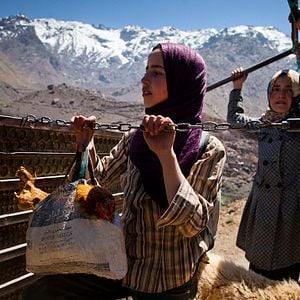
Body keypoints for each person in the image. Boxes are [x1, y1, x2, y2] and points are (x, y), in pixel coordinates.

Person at [21, 43, 226, 300]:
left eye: (156, 73)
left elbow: (192, 224)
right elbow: (98, 181)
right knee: (40, 294)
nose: (144, 80)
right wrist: (87, 146)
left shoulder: (208, 149)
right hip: (122, 268)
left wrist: (166, 155)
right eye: (146, 71)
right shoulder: (135, 139)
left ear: (182, 82)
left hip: (168, 283)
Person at [227, 67, 300, 282]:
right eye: (276, 89)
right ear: (269, 95)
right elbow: (234, 120)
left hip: (291, 211)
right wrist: (237, 87)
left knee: (285, 277)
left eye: (289, 90)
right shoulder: (264, 126)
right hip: (263, 211)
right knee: (257, 273)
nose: (281, 95)